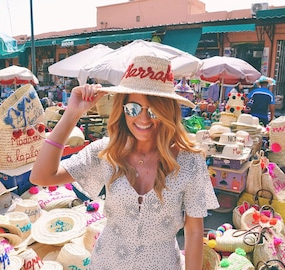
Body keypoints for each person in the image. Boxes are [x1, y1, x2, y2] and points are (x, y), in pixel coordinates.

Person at [30, 55, 219, 270]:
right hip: (106, 263)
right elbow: (41, 176)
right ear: (122, 109)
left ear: (168, 111)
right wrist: (72, 114)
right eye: (133, 108)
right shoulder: (106, 151)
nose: (143, 119)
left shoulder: (190, 161)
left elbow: (194, 231)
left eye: (154, 110)